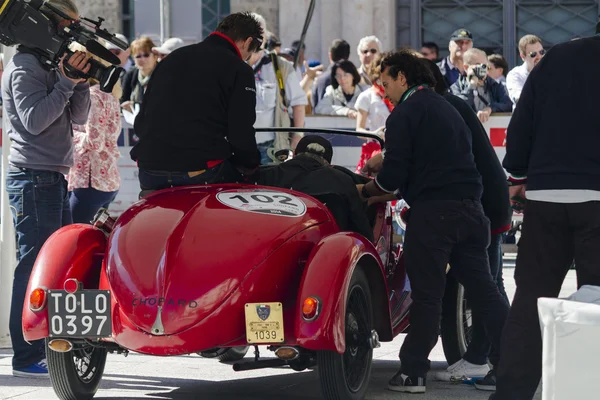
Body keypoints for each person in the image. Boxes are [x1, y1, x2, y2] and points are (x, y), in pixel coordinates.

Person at [359, 50, 508, 394]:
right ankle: (510, 363)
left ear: (402, 78)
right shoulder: (449, 107)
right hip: (472, 211)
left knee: (427, 297)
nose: (384, 92)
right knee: (485, 291)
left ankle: (413, 373)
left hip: (433, 215)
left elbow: (393, 176)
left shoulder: (405, 114)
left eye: (386, 84)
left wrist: (368, 190)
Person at [489, 34, 600, 400]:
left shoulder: (556, 58)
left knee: (532, 297)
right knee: (596, 300)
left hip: (546, 194)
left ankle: (511, 393)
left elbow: (521, 125)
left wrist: (519, 174)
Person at [3, 0, 91, 378]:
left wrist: (81, 83)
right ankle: (25, 355)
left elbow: (79, 117)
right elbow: (36, 121)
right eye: (65, 25)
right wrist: (66, 82)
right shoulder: (23, 66)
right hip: (32, 177)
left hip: (51, 176)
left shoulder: (47, 63)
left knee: (59, 264)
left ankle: (50, 344)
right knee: (32, 265)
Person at [422, 58, 512, 383]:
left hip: (483, 203)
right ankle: (492, 360)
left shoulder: (443, 108)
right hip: (490, 199)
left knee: (485, 287)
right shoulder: (451, 105)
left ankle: (486, 359)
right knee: (490, 284)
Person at [130, 12, 263, 191]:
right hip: (201, 170)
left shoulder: (172, 59)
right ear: (247, 42)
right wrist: (251, 165)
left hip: (149, 169)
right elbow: (241, 131)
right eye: (250, 52)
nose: (247, 58)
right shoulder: (239, 69)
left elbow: (142, 119)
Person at [253, 135, 374, 242]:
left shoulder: (265, 175)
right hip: (322, 249)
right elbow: (362, 231)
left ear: (294, 154)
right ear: (329, 163)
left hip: (266, 241)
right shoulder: (342, 180)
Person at [67, 43, 122, 223]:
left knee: (73, 239)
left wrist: (66, 133)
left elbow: (94, 142)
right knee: (92, 240)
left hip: (91, 181)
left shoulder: (93, 96)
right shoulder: (109, 94)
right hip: (104, 179)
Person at [248, 13, 306, 164]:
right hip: (237, 147)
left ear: (266, 36)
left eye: (259, 32)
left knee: (270, 186)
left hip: (270, 148)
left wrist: (297, 137)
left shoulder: (281, 67)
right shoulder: (231, 65)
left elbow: (298, 103)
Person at [450, 48, 512, 123]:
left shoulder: (495, 85)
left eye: (485, 66)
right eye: (478, 65)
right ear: (466, 67)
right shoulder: (456, 87)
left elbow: (508, 104)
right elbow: (460, 107)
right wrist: (472, 84)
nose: (483, 69)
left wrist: (490, 108)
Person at [120, 36, 159, 113]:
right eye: (138, 56)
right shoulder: (131, 74)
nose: (142, 59)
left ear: (155, 56)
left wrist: (135, 105)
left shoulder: (161, 74)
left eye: (146, 55)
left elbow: (160, 104)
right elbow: (122, 100)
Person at [311, 39, 350, 109]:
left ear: (330, 55)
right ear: (348, 56)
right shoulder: (353, 78)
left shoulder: (321, 80)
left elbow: (315, 106)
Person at [506, 35, 544, 106]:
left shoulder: (551, 72)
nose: (539, 57)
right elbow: (519, 98)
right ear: (523, 56)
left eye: (541, 52)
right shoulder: (515, 74)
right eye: (533, 54)